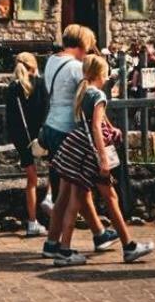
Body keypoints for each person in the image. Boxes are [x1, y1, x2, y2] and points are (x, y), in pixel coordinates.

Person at [47, 55, 155, 267]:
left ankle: (65, 249)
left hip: (76, 149)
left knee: (75, 200)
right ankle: (129, 246)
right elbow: (95, 126)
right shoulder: (97, 95)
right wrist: (103, 158)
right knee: (110, 197)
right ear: (100, 74)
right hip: (91, 152)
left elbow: (88, 122)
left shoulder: (82, 92)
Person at [40, 25, 118, 260]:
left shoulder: (52, 61)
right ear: (83, 43)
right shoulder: (76, 67)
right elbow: (90, 96)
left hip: (52, 126)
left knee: (72, 189)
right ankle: (58, 245)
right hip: (68, 129)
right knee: (71, 191)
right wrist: (107, 126)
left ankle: (95, 234)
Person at [6, 52, 48, 237]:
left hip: (23, 138)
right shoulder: (40, 84)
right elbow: (47, 111)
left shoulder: (12, 88)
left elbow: (11, 119)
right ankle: (49, 199)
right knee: (56, 170)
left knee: (31, 180)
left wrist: (19, 139)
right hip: (42, 135)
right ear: (33, 66)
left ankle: (32, 223)